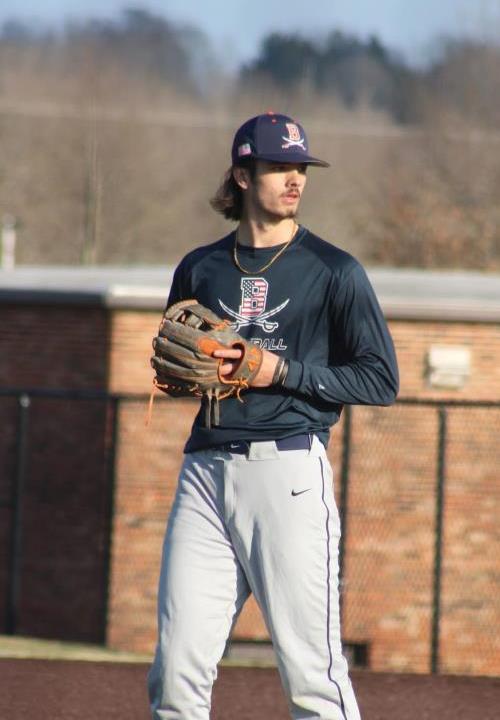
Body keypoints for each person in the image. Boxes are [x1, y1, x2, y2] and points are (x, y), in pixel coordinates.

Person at [148, 112, 399, 720]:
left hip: (287, 474)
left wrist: (279, 371)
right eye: (279, 166)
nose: (295, 179)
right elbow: (181, 365)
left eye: (301, 167)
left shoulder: (334, 270)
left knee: (312, 677)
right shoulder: (200, 268)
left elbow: (380, 379)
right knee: (175, 673)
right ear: (242, 175)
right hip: (205, 474)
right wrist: (186, 374)